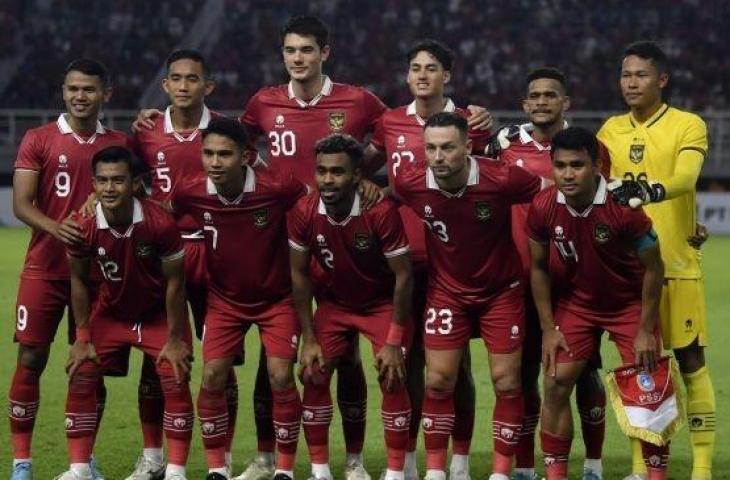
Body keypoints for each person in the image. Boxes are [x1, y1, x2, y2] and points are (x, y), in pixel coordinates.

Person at [364, 38, 491, 480]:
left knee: (458, 367)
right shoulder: (390, 121)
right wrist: (366, 189)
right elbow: (363, 164)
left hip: (455, 259)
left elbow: (492, 179)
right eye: (415, 67)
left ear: (447, 75)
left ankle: (458, 460)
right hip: (402, 257)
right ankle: (412, 460)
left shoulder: (470, 123)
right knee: (409, 359)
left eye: (431, 68)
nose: (422, 75)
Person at [394, 112, 543, 480]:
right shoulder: (412, 182)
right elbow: (389, 197)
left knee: (508, 381)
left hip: (501, 292)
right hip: (446, 293)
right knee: (437, 381)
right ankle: (435, 472)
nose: (438, 156)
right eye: (430, 148)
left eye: (447, 147)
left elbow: (553, 190)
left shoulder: (501, 177)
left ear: (467, 147)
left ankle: (500, 473)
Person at [597, 41, 714, 480]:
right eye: (626, 75)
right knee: (637, 371)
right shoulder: (609, 130)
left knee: (691, 364)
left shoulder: (689, 124)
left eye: (640, 75)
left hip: (677, 266)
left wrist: (649, 192)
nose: (630, 82)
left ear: (661, 79)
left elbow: (686, 178)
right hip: (626, 271)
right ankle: (639, 469)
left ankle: (701, 470)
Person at [9, 59, 128, 480]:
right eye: (73, 88)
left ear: (105, 94)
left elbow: (137, 196)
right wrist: (56, 228)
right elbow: (21, 203)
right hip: (44, 268)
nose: (81, 96)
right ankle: (22, 462)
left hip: (97, 274)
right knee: (31, 358)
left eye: (89, 89)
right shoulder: (39, 138)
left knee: (88, 364)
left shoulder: (118, 143)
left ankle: (85, 460)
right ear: (63, 91)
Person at [169, 117, 306, 480]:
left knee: (280, 376)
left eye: (224, 155)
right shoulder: (191, 190)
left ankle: (285, 470)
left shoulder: (276, 187)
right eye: (208, 153)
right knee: (212, 375)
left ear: (246, 156)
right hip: (224, 300)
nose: (214, 162)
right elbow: (162, 215)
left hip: (278, 300)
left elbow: (311, 206)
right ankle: (217, 469)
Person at [527, 127, 667, 480]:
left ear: (596, 167)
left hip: (628, 306)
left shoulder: (625, 208)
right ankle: (556, 475)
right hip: (577, 305)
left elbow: (655, 267)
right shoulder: (542, 207)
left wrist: (645, 330)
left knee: (648, 388)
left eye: (577, 165)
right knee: (556, 382)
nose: (568, 174)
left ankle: (655, 475)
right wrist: (547, 329)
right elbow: (539, 268)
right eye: (560, 166)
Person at [129, 49, 240, 480]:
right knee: (155, 359)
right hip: (162, 258)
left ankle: (222, 458)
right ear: (165, 84)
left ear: (207, 86)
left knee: (220, 362)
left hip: (216, 255)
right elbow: (124, 176)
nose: (183, 86)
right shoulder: (147, 132)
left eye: (192, 79)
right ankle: (153, 457)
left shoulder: (226, 131)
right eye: (175, 78)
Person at [493, 68, 606, 480]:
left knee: (583, 373)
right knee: (522, 376)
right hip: (517, 281)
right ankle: (524, 467)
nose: (541, 102)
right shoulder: (503, 143)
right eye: (534, 96)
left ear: (566, 103)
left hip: (574, 285)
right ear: (525, 104)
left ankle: (593, 465)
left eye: (550, 95)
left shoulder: (587, 148)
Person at [60, 146, 194, 480]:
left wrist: (176, 338)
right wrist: (82, 337)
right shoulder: (83, 224)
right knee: (82, 369)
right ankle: (78, 469)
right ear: (93, 183)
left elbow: (176, 283)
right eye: (102, 181)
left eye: (118, 180)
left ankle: (173, 470)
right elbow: (77, 280)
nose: (109, 188)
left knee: (174, 375)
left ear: (135, 183)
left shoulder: (160, 222)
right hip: (112, 313)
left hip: (158, 316)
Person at [288, 134, 413, 480]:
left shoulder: (380, 211)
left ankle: (394, 473)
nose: (328, 180)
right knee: (313, 372)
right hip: (335, 304)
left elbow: (404, 276)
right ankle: (320, 470)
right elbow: (298, 274)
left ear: (357, 176)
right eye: (322, 171)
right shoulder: (304, 210)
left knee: (393, 376)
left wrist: (394, 340)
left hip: (381, 304)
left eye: (338, 172)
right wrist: (308, 337)